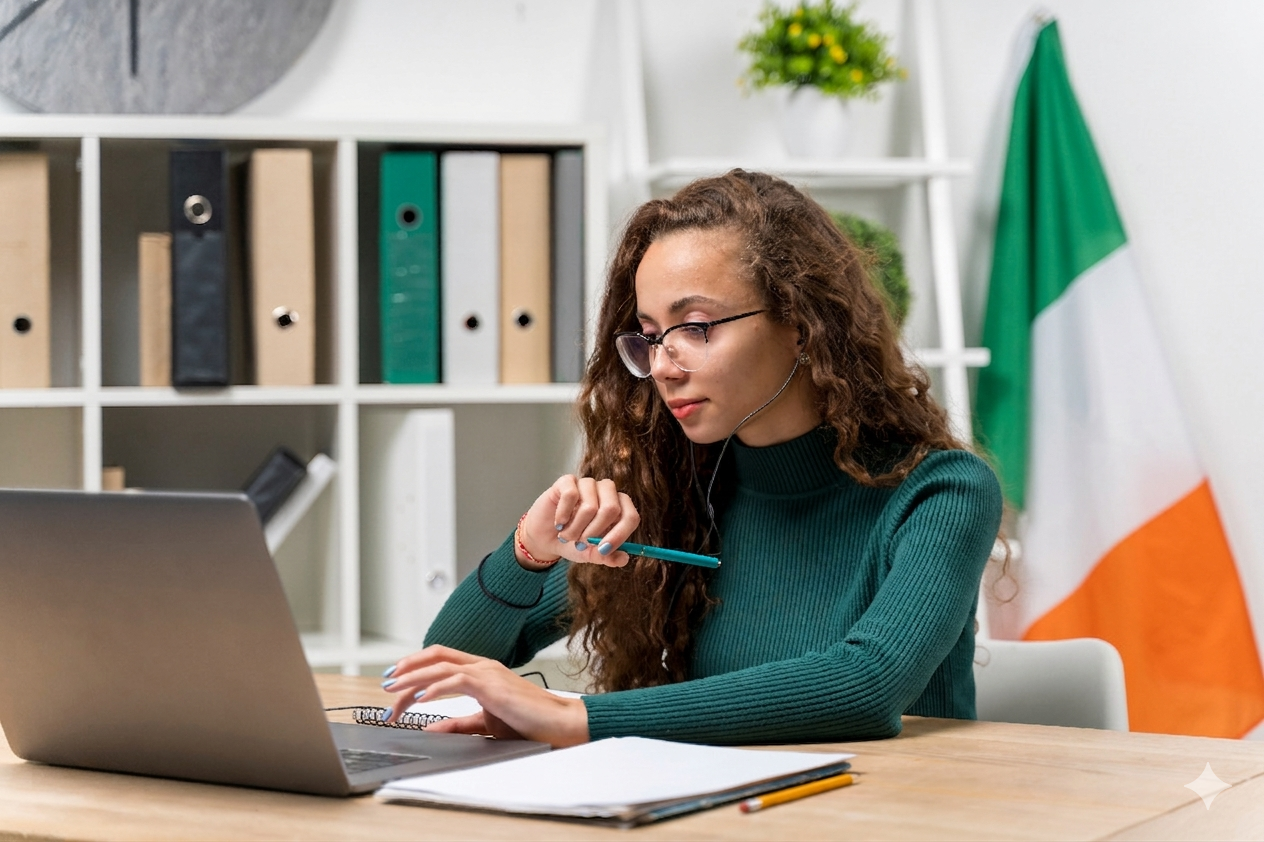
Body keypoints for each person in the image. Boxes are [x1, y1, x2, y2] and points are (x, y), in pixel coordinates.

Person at [380, 169, 1003, 748]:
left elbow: (866, 686)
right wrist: (529, 550)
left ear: (803, 324)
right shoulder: (676, 495)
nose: (661, 365)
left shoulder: (941, 491)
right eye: (650, 335)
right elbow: (447, 660)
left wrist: (578, 717)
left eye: (697, 327)